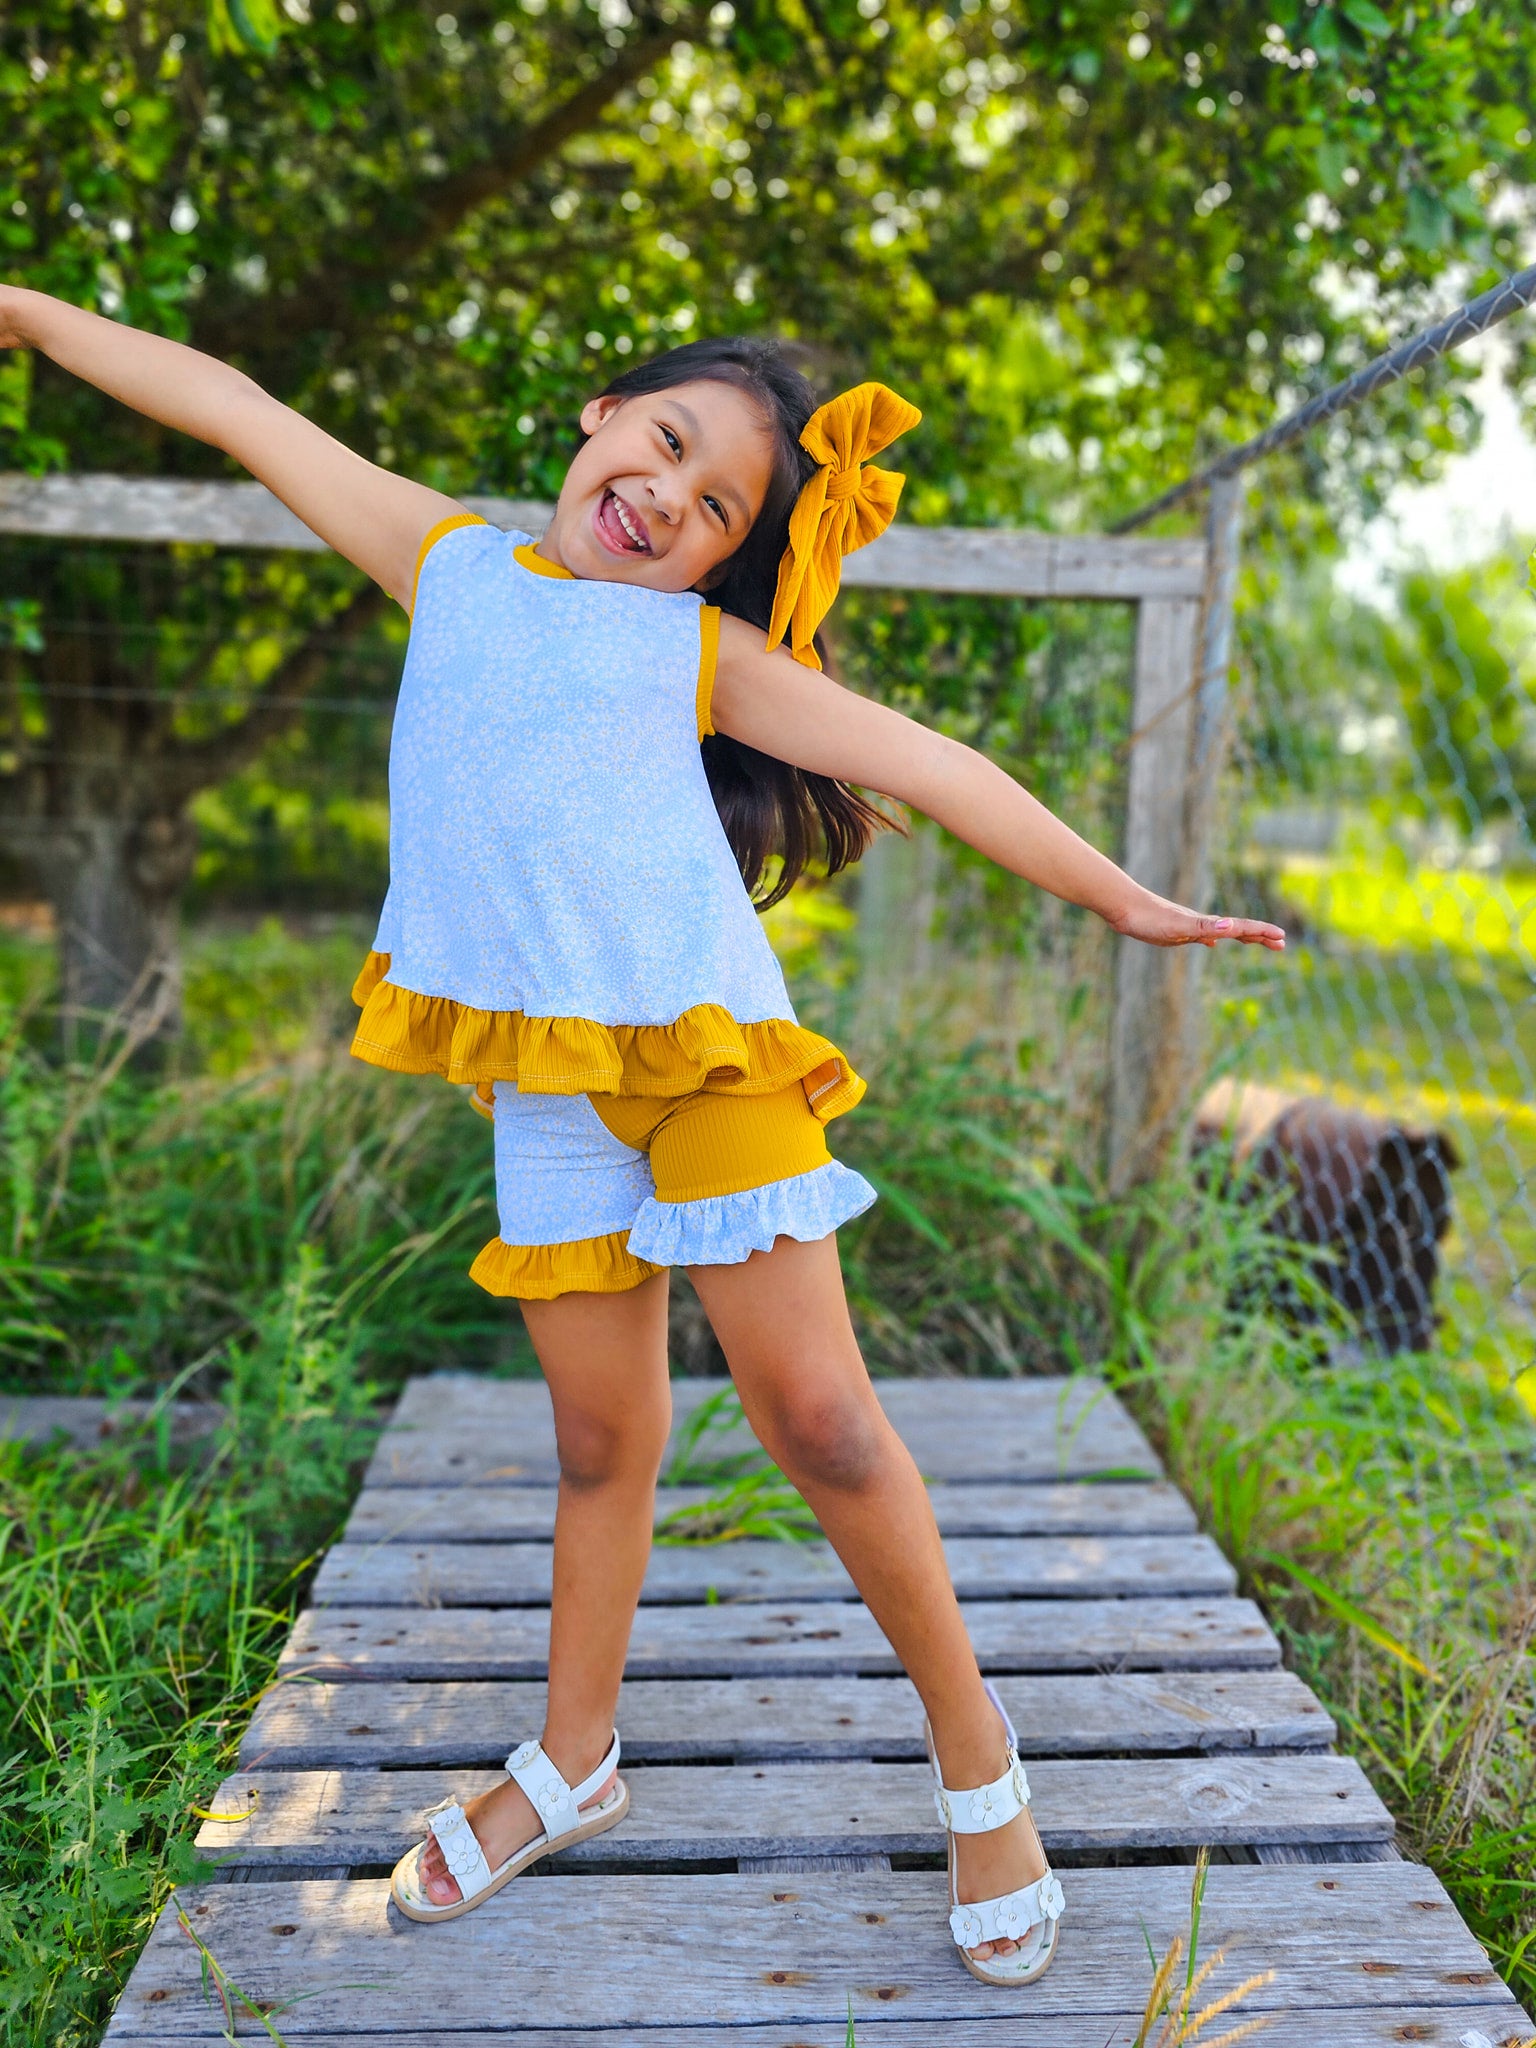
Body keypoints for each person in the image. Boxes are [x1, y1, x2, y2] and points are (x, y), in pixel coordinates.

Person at [0, 288, 1284, 1986]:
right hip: (550, 1082)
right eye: (665, 444)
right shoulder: (445, 562)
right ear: (600, 415)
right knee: (601, 1441)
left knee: (823, 1423)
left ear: (718, 564)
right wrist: (28, 312)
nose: (670, 495)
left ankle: (982, 1761)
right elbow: (233, 402)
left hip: (708, 1063)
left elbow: (937, 764)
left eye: (717, 506)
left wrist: (1129, 903)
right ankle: (574, 1759)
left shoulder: (695, 655)